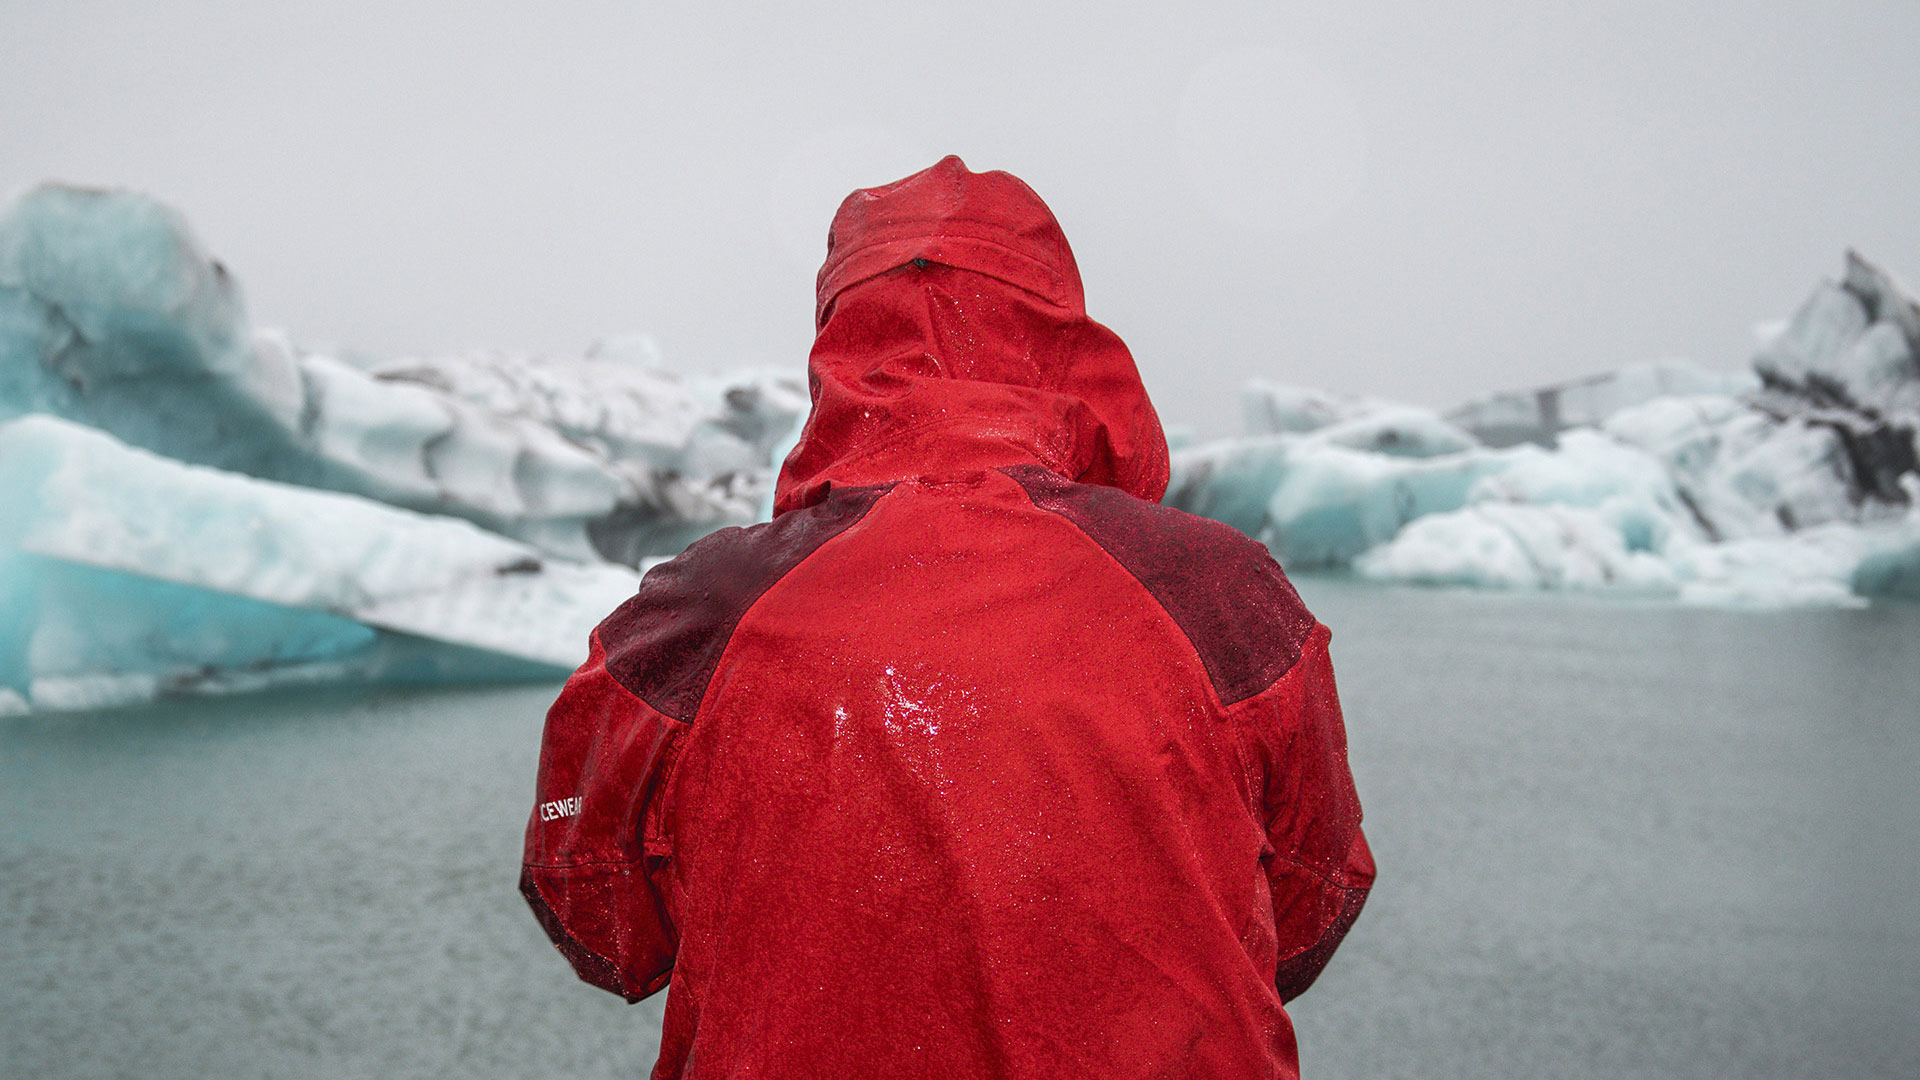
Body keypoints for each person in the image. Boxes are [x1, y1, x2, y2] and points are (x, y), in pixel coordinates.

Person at [521, 156, 1374, 1079]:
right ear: (1068, 340)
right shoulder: (1224, 597)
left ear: (841, 344)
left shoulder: (705, 612)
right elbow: (1312, 896)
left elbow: (590, 897)